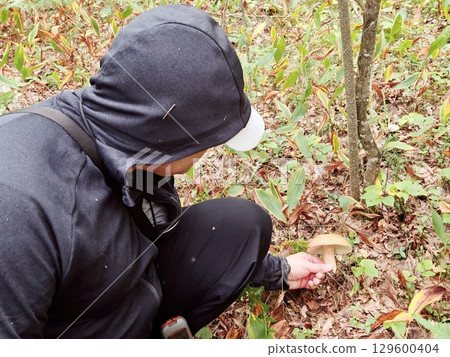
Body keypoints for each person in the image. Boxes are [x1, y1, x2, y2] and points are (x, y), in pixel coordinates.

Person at [0, 4, 332, 338]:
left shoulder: (128, 136)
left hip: (123, 283)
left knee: (241, 225)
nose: (206, 153)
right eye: (209, 142)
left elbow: (159, 227)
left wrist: (279, 271)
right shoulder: (20, 212)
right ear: (177, 143)